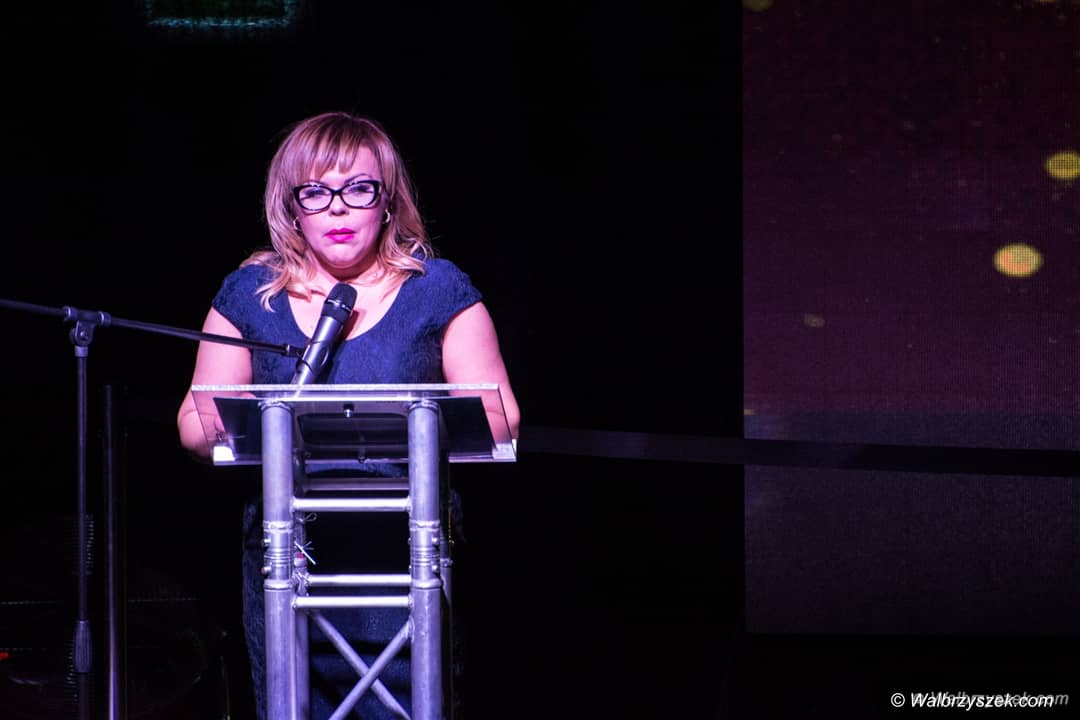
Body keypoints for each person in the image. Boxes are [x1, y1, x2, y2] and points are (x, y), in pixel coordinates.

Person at [176, 111, 521, 719]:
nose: (337, 208)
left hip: (405, 556)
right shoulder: (251, 295)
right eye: (315, 192)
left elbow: (500, 419)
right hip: (289, 558)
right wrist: (252, 418)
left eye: (358, 189)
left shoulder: (437, 290)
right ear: (291, 207)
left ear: (387, 202)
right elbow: (194, 426)